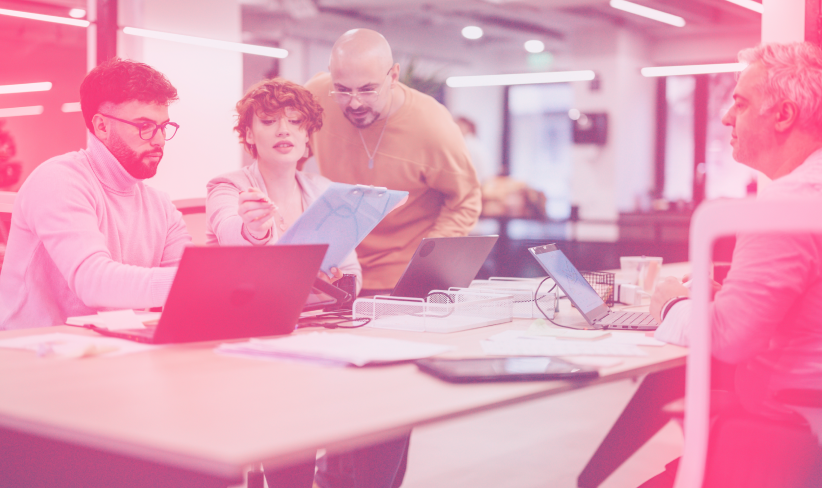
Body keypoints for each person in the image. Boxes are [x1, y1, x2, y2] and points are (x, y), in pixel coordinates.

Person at [647, 42, 822, 485]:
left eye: (740, 103)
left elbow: (729, 339)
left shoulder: (784, 206)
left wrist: (672, 304)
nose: (727, 117)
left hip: (787, 438)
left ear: (783, 115)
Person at [0, 58, 190, 330]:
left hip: (110, 346)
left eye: (163, 127)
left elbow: (190, 280)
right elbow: (93, 282)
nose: (159, 139)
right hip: (34, 350)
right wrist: (192, 282)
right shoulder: (59, 180)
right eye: (144, 126)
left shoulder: (160, 205)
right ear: (101, 126)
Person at [304, 28, 481, 296]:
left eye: (367, 90)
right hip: (337, 271)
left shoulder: (432, 126)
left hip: (403, 275)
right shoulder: (315, 97)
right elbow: (289, 159)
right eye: (341, 90)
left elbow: (465, 200)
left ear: (394, 76)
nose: (354, 103)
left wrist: (426, 262)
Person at [205, 78, 361, 292]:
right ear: (249, 134)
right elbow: (230, 233)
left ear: (306, 134)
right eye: (269, 121)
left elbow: (351, 270)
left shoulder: (324, 190)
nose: (283, 130)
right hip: (245, 319)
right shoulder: (227, 187)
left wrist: (334, 286)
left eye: (295, 121)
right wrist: (253, 229)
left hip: (313, 320)